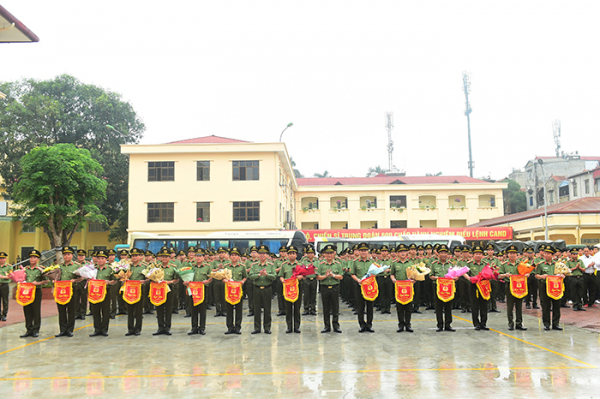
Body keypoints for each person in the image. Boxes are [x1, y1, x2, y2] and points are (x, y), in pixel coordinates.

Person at [54, 246, 84, 337]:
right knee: (61, 310)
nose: (66, 256)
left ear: (72, 255)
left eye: (68, 254)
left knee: (71, 311)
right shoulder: (59, 266)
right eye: (65, 254)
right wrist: (54, 280)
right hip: (61, 290)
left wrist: (75, 280)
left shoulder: (77, 266)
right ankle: (62, 330)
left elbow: (82, 278)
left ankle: (70, 330)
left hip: (72, 290)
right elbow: (56, 277)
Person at [498, 245, 528, 331]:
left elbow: (527, 272)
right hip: (509, 286)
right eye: (510, 253)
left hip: (520, 286)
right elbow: (499, 276)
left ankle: (519, 323)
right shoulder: (504, 265)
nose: (512, 255)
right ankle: (510, 324)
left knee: (519, 306)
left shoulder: (521, 264)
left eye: (514, 253)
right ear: (507, 255)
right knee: (510, 306)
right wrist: (505, 275)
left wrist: (527, 274)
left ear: (517, 255)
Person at [534, 246, 564, 331]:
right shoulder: (541, 265)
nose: (546, 255)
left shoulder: (558, 264)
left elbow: (563, 273)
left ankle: (556, 324)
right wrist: (541, 276)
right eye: (545, 253)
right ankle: (546, 324)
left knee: (556, 305)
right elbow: (536, 275)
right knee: (546, 306)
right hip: (545, 286)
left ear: (552, 255)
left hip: (556, 287)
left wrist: (562, 276)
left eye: (549, 254)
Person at [20, 250, 48, 338]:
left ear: (38, 259)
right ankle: (29, 329)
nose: (32, 259)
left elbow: (47, 281)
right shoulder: (25, 269)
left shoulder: (41, 269)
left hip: (36, 291)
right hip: (26, 292)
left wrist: (38, 283)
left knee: (35, 310)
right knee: (27, 310)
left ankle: (35, 330)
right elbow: (20, 279)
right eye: (31, 257)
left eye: (35, 257)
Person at [249, 245, 276, 334]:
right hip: (256, 289)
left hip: (267, 289)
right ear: (258, 255)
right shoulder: (254, 265)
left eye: (264, 253)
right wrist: (259, 275)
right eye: (260, 253)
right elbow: (251, 276)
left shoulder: (271, 266)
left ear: (267, 255)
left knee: (267, 309)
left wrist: (266, 275)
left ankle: (267, 327)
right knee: (256, 309)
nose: (262, 255)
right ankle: (257, 328)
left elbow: (274, 276)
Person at [89, 250, 117, 337]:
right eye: (99, 258)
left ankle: (104, 329)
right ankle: (97, 329)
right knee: (95, 311)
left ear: (106, 259)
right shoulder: (93, 268)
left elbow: (115, 280)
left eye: (103, 258)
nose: (100, 260)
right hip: (95, 292)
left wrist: (109, 282)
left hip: (106, 291)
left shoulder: (110, 269)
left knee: (105, 311)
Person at [152, 249, 180, 336]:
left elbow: (177, 279)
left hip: (169, 289)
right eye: (163, 257)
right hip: (158, 290)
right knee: (159, 308)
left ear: (169, 258)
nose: (164, 258)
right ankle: (160, 327)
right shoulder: (156, 267)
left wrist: (170, 282)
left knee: (168, 309)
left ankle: (167, 328)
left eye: (166, 257)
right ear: (160, 258)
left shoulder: (173, 267)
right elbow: (151, 278)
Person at [317, 244, 343, 333]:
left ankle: (336, 326)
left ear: (334, 254)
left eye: (331, 253)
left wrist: (333, 275)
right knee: (326, 308)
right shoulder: (321, 265)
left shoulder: (338, 264)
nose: (329, 255)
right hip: (324, 288)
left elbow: (341, 277)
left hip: (335, 287)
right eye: (327, 253)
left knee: (335, 307)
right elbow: (318, 277)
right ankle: (326, 326)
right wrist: (325, 276)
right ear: (324, 254)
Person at [185, 249, 212, 335]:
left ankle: (202, 328)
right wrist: (186, 282)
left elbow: (211, 277)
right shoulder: (192, 266)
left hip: (203, 290)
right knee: (193, 309)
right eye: (197, 256)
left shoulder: (207, 266)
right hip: (193, 290)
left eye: (200, 256)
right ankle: (194, 327)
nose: (198, 258)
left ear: (203, 257)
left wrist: (208, 281)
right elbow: (187, 276)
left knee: (202, 309)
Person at [430, 244, 456, 332]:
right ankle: (440, 325)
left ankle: (448, 324)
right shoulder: (434, 264)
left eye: (445, 252)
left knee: (448, 306)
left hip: (449, 287)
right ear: (438, 254)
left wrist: (455, 278)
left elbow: (456, 276)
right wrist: (436, 278)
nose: (443, 254)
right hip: (437, 287)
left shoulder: (451, 264)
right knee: (439, 306)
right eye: (441, 252)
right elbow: (431, 275)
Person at [350, 242, 375, 333]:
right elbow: (352, 274)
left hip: (369, 287)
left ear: (368, 252)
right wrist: (358, 280)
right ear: (359, 252)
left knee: (370, 306)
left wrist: (373, 276)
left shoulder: (372, 262)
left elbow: (375, 274)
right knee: (360, 306)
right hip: (359, 286)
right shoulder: (355, 262)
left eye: (365, 250)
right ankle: (361, 324)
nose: (363, 252)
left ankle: (369, 324)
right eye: (361, 250)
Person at [124, 248, 150, 336]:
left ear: (140, 256)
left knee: (138, 311)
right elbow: (123, 276)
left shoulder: (144, 266)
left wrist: (144, 281)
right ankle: (130, 329)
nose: (134, 257)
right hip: (129, 291)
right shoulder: (127, 266)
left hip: (140, 290)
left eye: (136, 255)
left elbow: (149, 278)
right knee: (130, 310)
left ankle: (138, 329)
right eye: (132, 256)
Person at [390, 244, 414, 332]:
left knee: (408, 307)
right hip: (399, 288)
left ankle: (408, 324)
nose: (403, 253)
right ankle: (400, 325)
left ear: (407, 253)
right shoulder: (394, 263)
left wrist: (413, 281)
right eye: (400, 252)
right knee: (399, 307)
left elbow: (414, 275)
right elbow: (392, 274)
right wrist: (393, 279)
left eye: (404, 251)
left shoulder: (410, 263)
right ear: (397, 254)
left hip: (408, 288)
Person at [278, 246, 303, 334]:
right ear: (287, 255)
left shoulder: (300, 265)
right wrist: (282, 280)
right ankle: (289, 326)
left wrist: (301, 276)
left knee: (297, 308)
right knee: (288, 309)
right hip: (287, 289)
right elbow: (281, 275)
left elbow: (304, 275)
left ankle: (296, 326)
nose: (292, 255)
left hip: (297, 289)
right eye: (290, 254)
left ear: (296, 255)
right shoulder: (284, 265)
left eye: (293, 253)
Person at [465, 245, 490, 331]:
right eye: (476, 254)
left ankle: (483, 323)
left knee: (484, 305)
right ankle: (476, 323)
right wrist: (469, 278)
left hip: (484, 286)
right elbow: (463, 272)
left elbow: (491, 273)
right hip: (474, 286)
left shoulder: (486, 264)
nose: (478, 255)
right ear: (473, 255)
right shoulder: (469, 264)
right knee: (474, 305)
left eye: (479, 254)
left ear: (482, 255)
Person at [224, 247, 248, 335]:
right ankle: (230, 327)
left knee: (238, 309)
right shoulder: (226, 267)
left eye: (236, 255)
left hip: (238, 291)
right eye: (232, 255)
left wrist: (242, 281)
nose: (234, 257)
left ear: (239, 257)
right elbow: (222, 276)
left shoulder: (242, 267)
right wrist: (224, 280)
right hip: (229, 291)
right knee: (229, 309)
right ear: (230, 257)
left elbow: (245, 277)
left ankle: (238, 327)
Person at [211, 247, 229, 317]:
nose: (221, 254)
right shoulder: (215, 262)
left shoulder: (227, 262)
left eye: (223, 253)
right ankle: (218, 310)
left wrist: (223, 268)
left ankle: (224, 310)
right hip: (216, 280)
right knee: (217, 296)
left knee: (224, 296)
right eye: (220, 253)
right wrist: (218, 268)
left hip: (224, 280)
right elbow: (211, 269)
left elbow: (229, 270)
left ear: (225, 254)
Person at [301, 245, 318, 316]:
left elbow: (318, 269)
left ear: (314, 254)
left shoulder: (317, 261)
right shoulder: (304, 261)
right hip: (306, 279)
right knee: (306, 295)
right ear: (307, 254)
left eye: (312, 253)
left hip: (314, 279)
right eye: (309, 253)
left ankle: (313, 309)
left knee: (313, 295)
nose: (310, 254)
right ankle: (306, 309)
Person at [73, 249, 88, 320]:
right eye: (79, 255)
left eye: (82, 256)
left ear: (85, 256)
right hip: (76, 282)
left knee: (83, 298)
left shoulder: (88, 265)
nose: (81, 257)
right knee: (75, 298)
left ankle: (82, 313)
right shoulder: (74, 264)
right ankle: (76, 313)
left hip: (84, 282)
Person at [0, 252, 12, 321]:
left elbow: (11, 276)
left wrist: (2, 277)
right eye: (0, 258)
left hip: (4, 285)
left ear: (5, 259)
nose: (1, 260)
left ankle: (4, 315)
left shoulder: (9, 266)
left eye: (3, 258)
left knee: (5, 300)